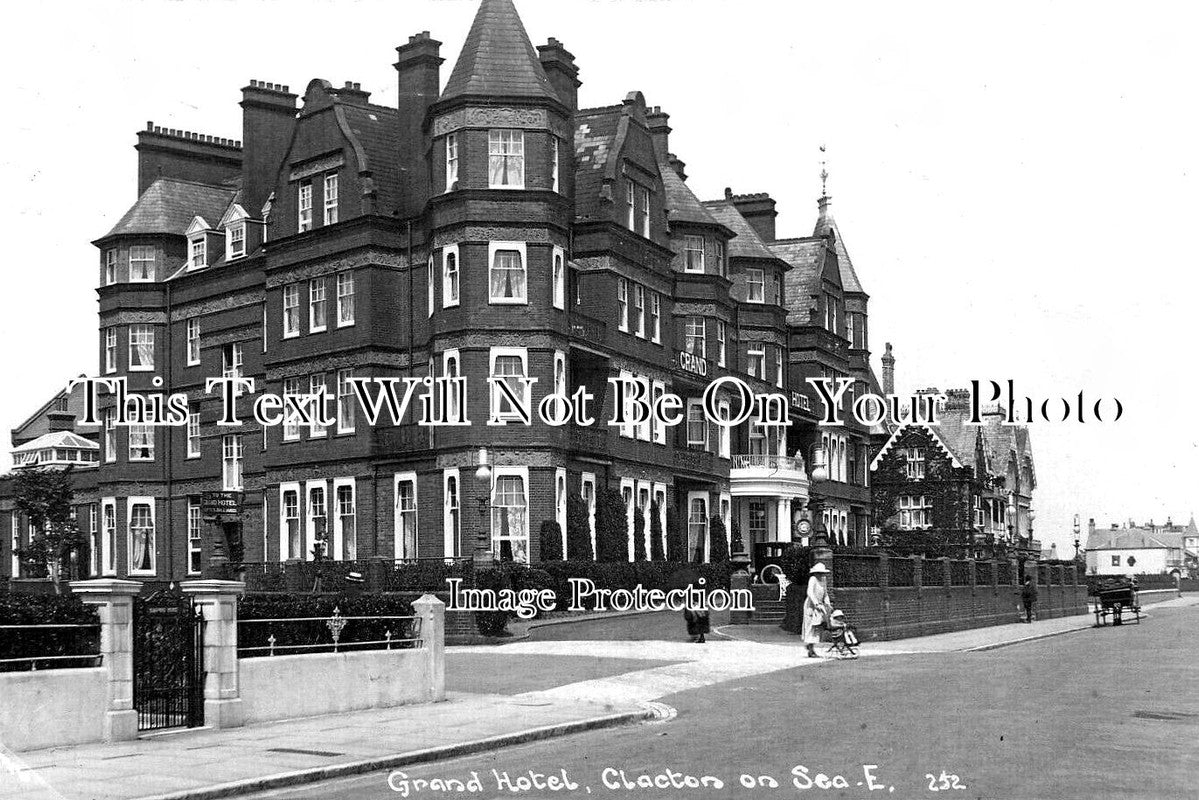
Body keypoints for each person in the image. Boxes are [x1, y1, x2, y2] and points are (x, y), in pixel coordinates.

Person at [803, 563, 833, 657]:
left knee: (817, 626)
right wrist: (816, 603)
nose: (820, 575)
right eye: (819, 573)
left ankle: (811, 646)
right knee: (810, 626)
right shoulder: (813, 579)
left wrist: (827, 603)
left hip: (820, 605)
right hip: (811, 606)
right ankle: (811, 649)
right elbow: (810, 592)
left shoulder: (823, 580)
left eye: (822, 573)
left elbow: (825, 593)